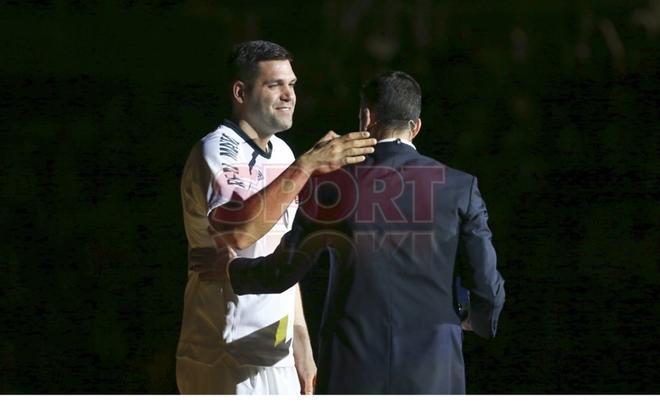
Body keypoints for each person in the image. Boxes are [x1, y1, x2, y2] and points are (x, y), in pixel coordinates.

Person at [194, 71, 506, 394]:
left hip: (351, 372)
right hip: (434, 376)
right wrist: (475, 319)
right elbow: (487, 286)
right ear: (416, 126)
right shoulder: (460, 187)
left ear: (367, 118)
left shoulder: (334, 187)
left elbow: (284, 270)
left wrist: (232, 271)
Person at [176, 40, 376, 395]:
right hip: (225, 354)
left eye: (293, 84)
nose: (289, 95)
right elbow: (239, 233)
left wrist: (301, 341)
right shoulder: (218, 149)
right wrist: (307, 165)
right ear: (240, 91)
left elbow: (281, 250)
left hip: (276, 352)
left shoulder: (283, 152)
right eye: (275, 84)